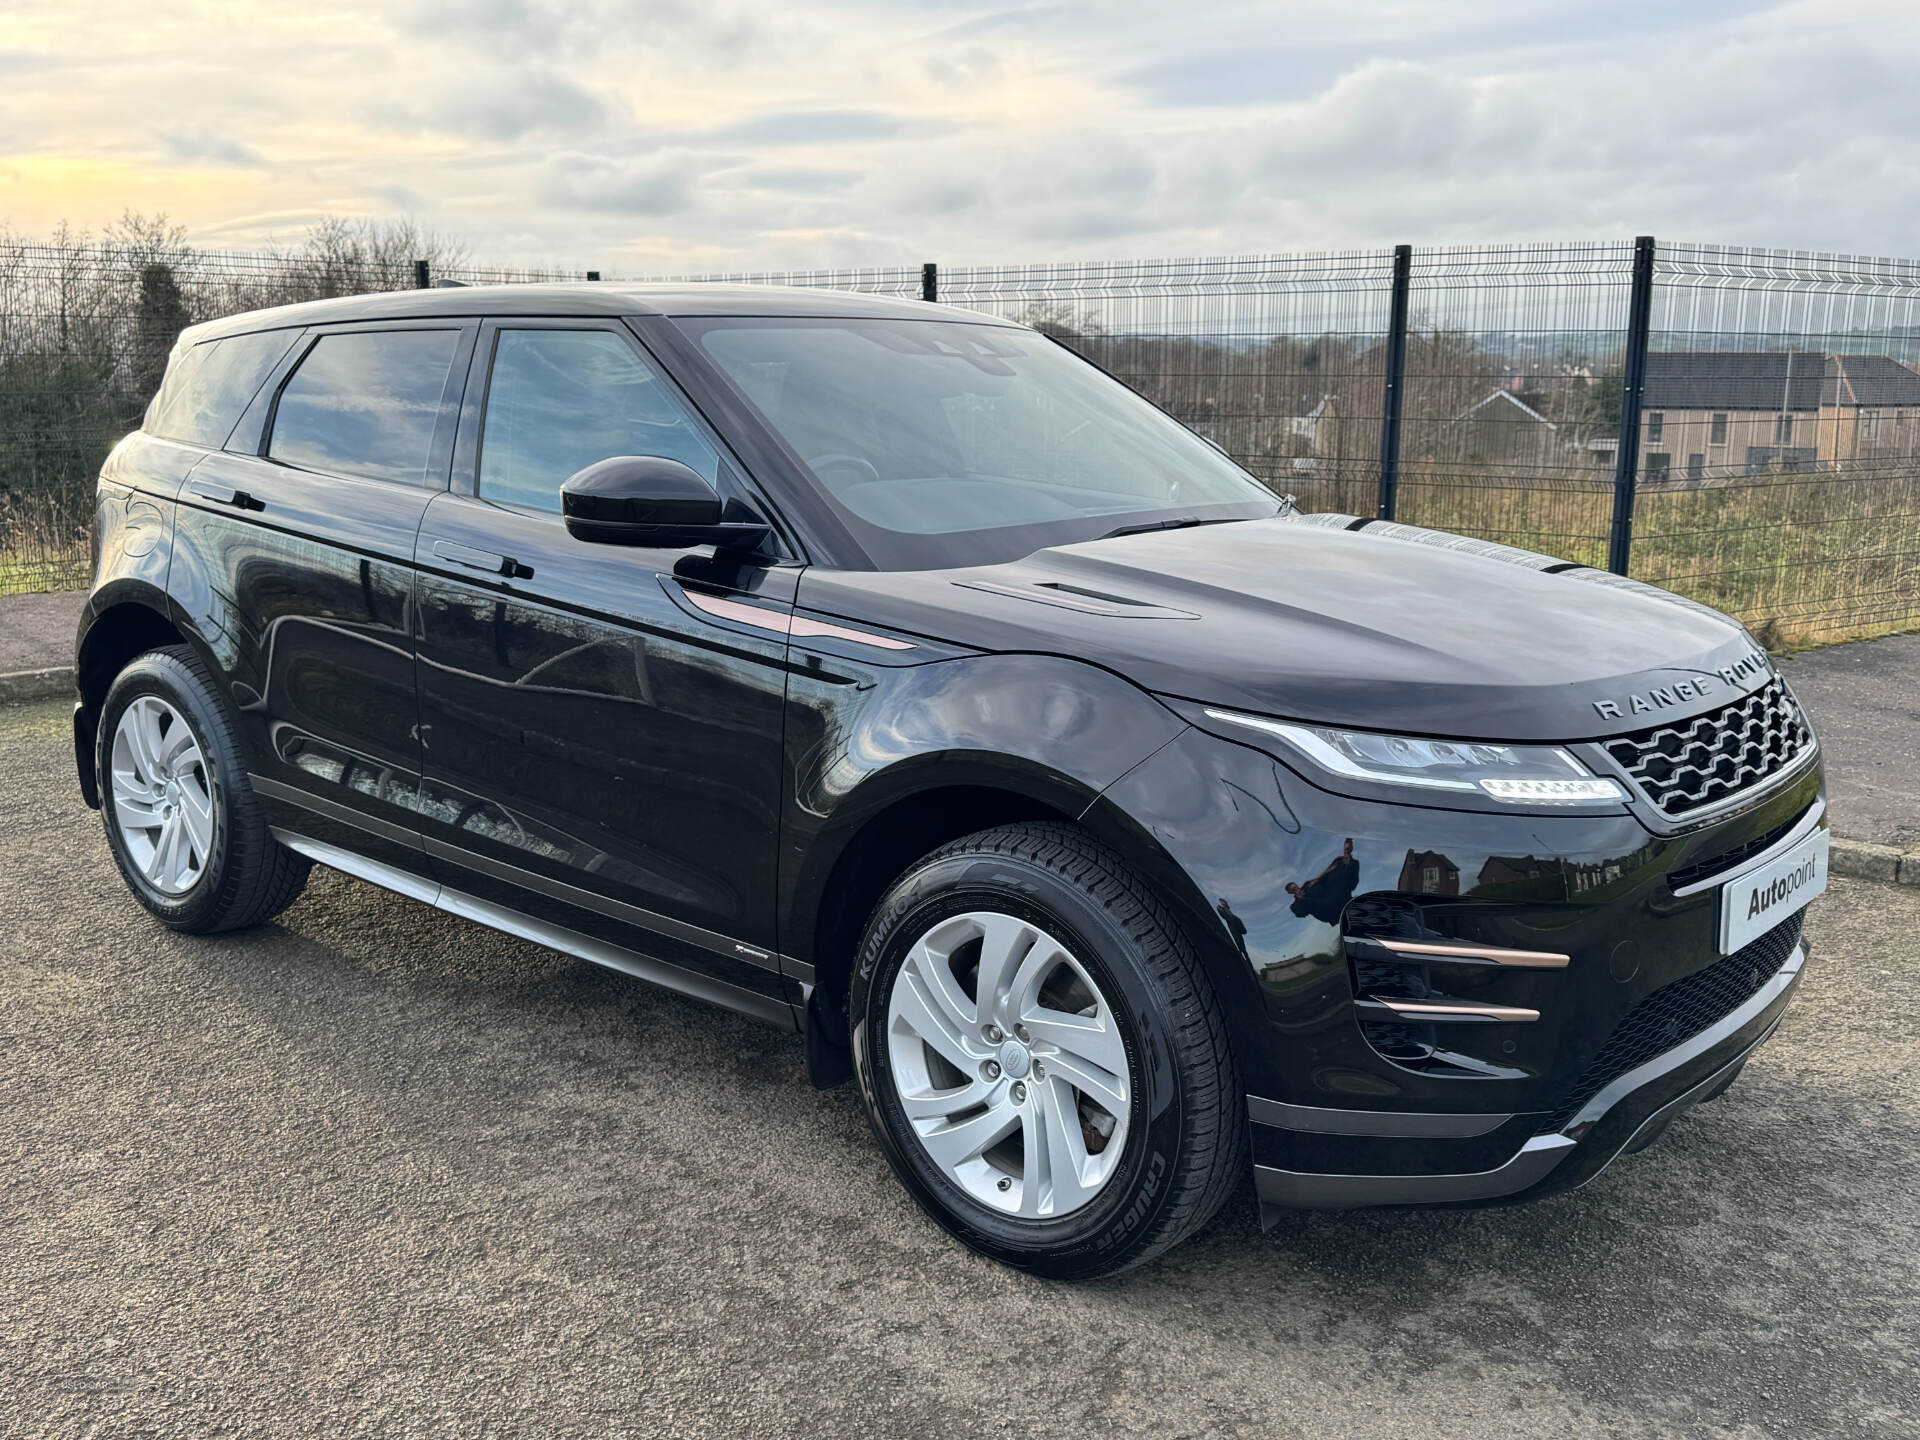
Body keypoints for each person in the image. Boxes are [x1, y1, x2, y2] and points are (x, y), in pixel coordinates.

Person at [1286, 838, 1360, 925]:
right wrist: (1301, 899)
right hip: (1332, 913)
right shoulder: (1297, 904)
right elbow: (1300, 913)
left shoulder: (1308, 885)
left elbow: (1325, 878)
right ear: (1291, 893)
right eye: (1294, 890)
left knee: (1340, 873)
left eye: (1296, 887)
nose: (1297, 889)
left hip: (1342, 902)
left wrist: (1343, 864)